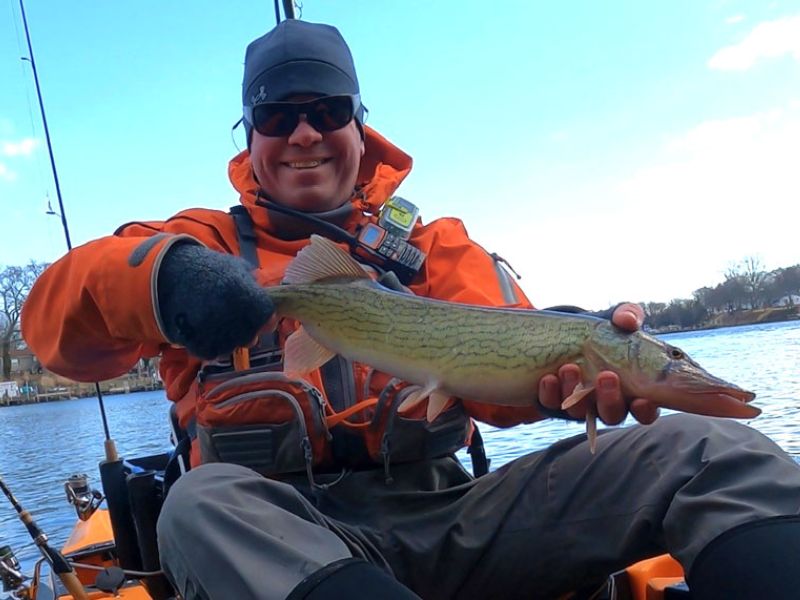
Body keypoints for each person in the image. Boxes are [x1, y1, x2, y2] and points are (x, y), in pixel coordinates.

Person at [22, 18, 800, 600]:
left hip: (454, 518)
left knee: (713, 450)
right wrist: (167, 281)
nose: (304, 134)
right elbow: (55, 323)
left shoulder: (433, 246)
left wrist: (563, 388)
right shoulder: (198, 241)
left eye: (327, 111)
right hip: (280, 537)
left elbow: (509, 361)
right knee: (198, 505)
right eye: (277, 116)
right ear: (249, 136)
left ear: (360, 126)